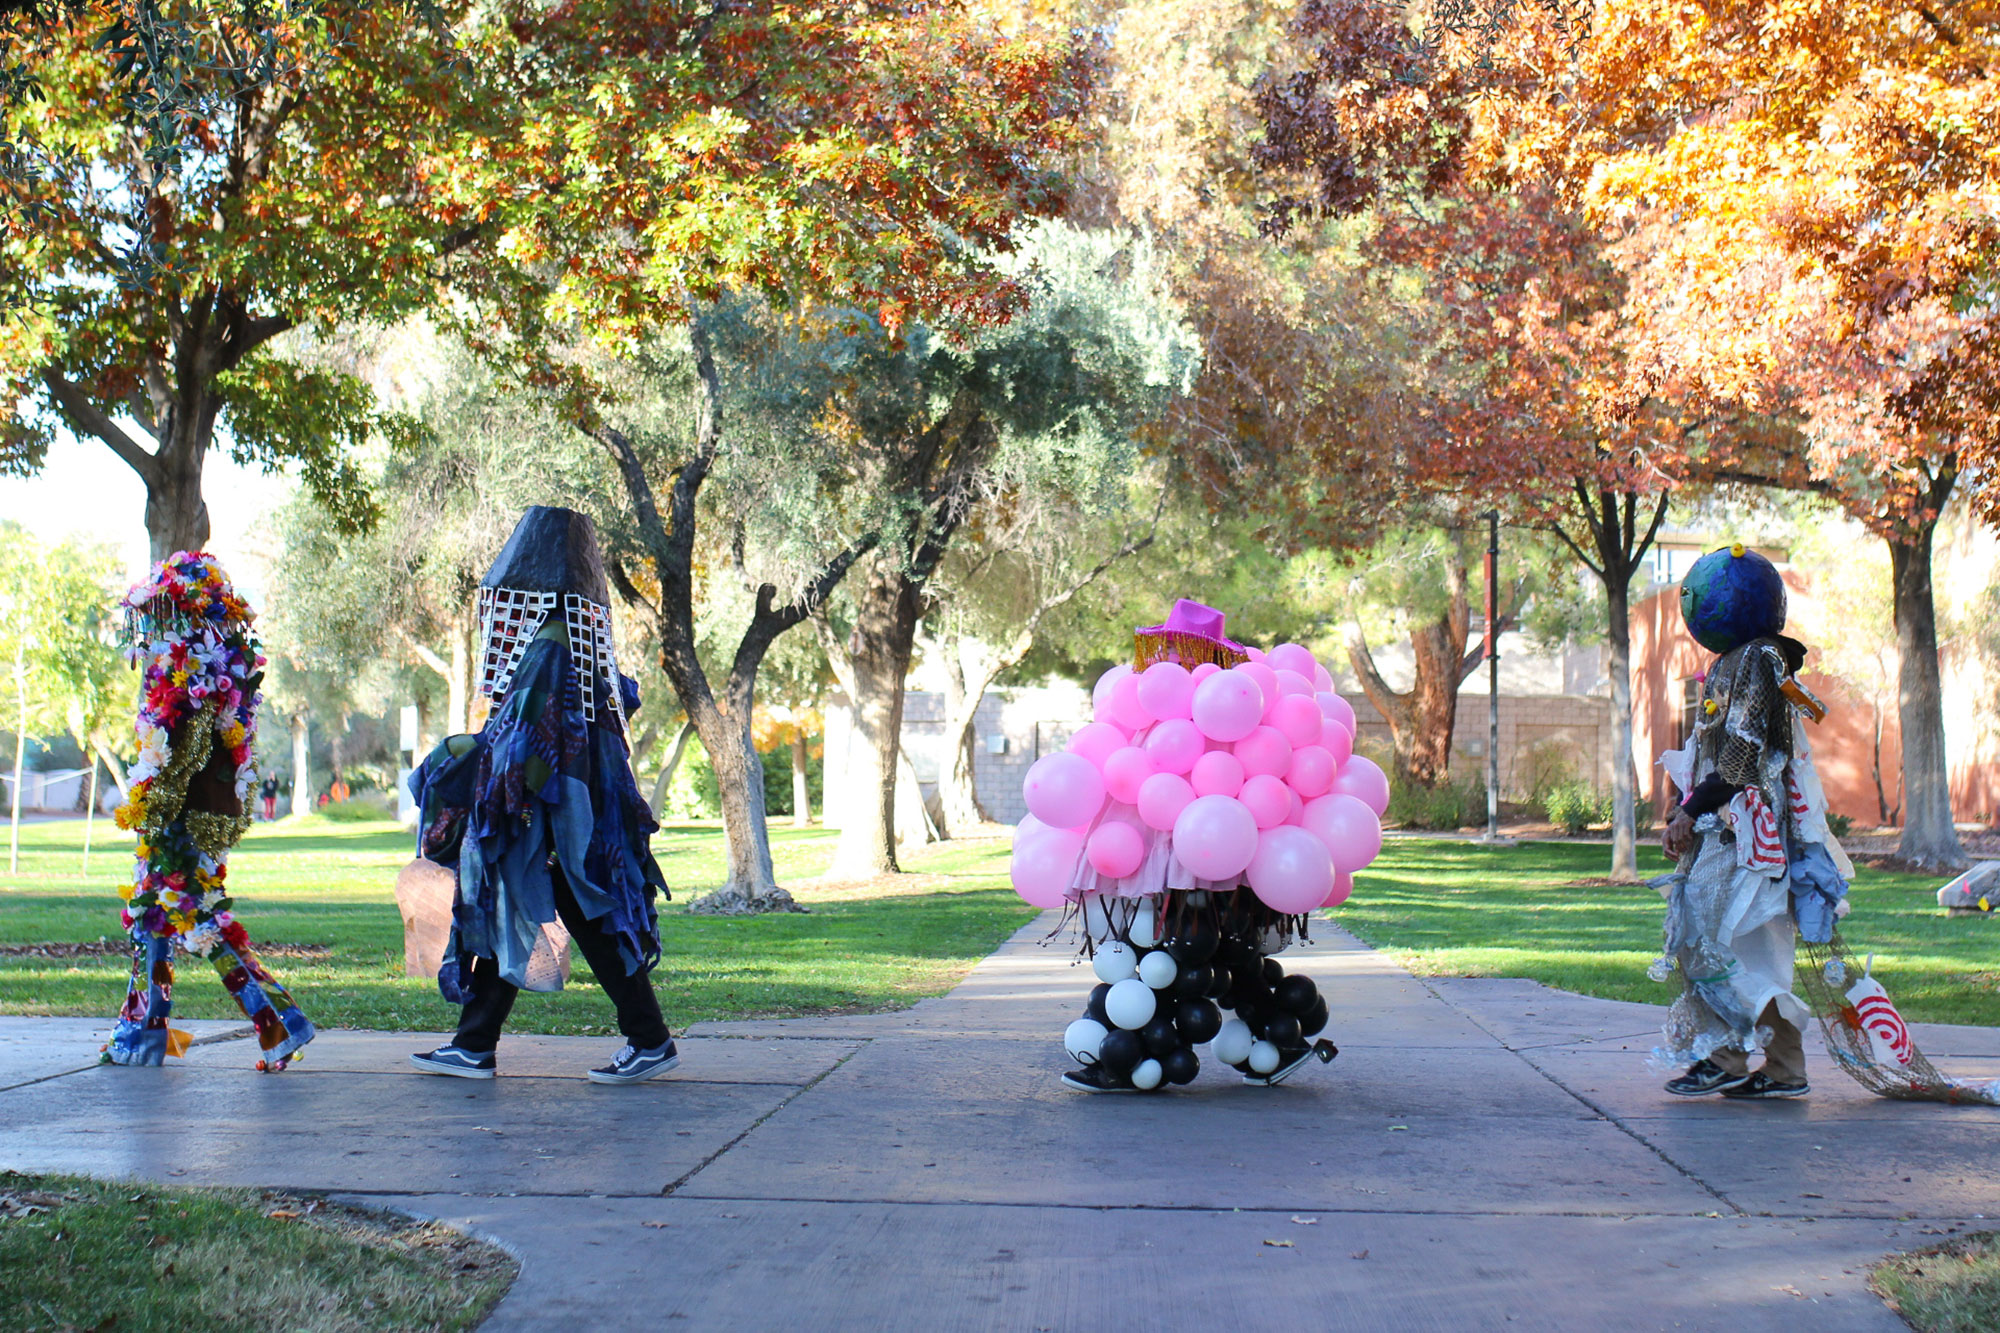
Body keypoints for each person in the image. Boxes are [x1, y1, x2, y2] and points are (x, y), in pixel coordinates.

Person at [408, 507, 676, 1084]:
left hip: (552, 823)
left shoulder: (549, 646)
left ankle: (647, 1040)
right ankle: (476, 1044)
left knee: (556, 917)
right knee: (528, 915)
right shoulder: (574, 645)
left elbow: (528, 741)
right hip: (567, 821)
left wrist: (464, 759)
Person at [1055, 600, 1343, 1094]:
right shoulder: (1159, 705)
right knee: (1220, 950)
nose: (1164, 652)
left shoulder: (1218, 710)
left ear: (1197, 648)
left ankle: (1129, 1059)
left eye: (1175, 644)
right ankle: (1281, 1040)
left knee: (1172, 949)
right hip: (1171, 858)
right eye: (1162, 644)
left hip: (1198, 861)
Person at [104, 552, 314, 1070]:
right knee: (154, 923)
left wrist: (148, 812)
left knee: (194, 922)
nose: (153, 626)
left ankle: (279, 1023)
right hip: (190, 822)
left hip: (175, 823)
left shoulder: (186, 678)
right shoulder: (226, 674)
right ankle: (141, 1036)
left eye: (160, 614)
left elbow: (181, 759)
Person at [1652, 542, 1845, 1100]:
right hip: (1732, 828)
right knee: (1736, 943)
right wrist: (1683, 801)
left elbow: (1742, 754)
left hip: (1745, 834)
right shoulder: (1741, 661)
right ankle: (1781, 1068)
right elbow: (1719, 752)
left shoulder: (1758, 660)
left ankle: (1729, 1058)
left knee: (1710, 940)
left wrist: (1692, 810)